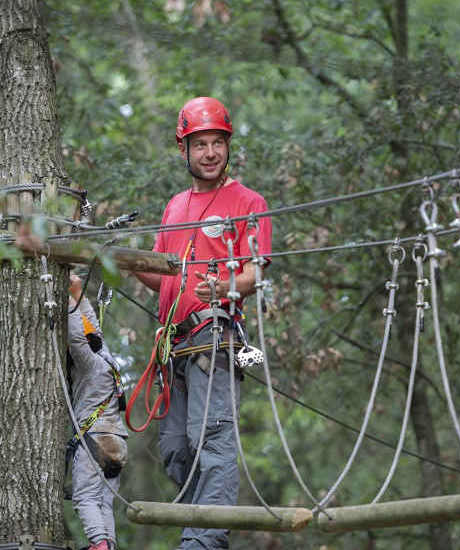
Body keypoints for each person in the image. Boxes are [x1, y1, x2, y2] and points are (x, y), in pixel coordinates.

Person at [133, 96, 272, 549]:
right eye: (200, 145)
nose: (210, 153)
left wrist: (229, 284)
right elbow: (164, 275)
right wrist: (122, 261)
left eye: (217, 143)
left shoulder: (248, 201)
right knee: (176, 449)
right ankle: (200, 530)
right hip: (173, 345)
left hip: (215, 339)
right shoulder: (175, 206)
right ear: (184, 151)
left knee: (210, 439)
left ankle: (203, 541)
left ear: (228, 147)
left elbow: (255, 270)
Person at [67, 274, 128, 550]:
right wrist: (78, 292)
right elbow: (93, 333)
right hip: (118, 442)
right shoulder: (108, 360)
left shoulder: (90, 365)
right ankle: (108, 545)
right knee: (104, 500)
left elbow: (78, 338)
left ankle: (99, 544)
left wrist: (67, 298)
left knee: (86, 498)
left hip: (95, 439)